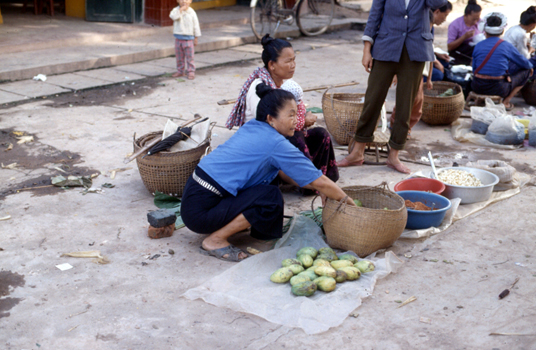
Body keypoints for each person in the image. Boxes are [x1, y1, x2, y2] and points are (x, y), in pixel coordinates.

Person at [182, 84, 356, 261]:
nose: (296, 120)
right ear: (271, 119)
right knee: (269, 196)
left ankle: (241, 226)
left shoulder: (253, 126)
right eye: (291, 115)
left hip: (194, 199)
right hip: (201, 212)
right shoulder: (275, 143)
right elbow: (320, 180)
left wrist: (320, 188)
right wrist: (348, 202)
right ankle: (215, 240)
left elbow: (291, 175)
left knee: (270, 181)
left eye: (297, 113)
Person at [338, 0, 447, 174]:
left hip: (415, 52)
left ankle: (394, 155)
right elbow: (374, 16)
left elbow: (437, 3)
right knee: (373, 100)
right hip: (385, 47)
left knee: (405, 105)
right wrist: (367, 49)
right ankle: (357, 152)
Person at [226, 34, 339, 184]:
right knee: (295, 136)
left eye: (294, 60)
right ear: (272, 64)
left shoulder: (283, 85)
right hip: (261, 143)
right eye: (288, 61)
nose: (293, 65)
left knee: (321, 134)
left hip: (278, 135)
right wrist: (302, 121)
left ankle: (324, 178)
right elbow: (271, 124)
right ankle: (307, 182)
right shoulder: (259, 87)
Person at [389, 4, 452, 137]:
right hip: (410, 70)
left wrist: (429, 79)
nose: (445, 19)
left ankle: (405, 127)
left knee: (417, 105)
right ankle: (396, 126)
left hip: (421, 73)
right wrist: (395, 73)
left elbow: (430, 59)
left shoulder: (429, 32)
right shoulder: (415, 31)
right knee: (408, 101)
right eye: (445, 15)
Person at [471, 12, 533, 111]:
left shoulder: (478, 45)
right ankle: (506, 101)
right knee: (527, 71)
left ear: (485, 31)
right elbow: (526, 64)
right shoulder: (506, 46)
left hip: (477, 86)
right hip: (499, 89)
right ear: (502, 30)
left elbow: (474, 69)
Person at [169, 0, 201, 80]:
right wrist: (180, 10)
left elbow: (196, 25)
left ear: (190, 1)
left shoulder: (192, 12)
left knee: (190, 57)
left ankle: (191, 71)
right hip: (178, 39)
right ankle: (180, 71)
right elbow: (173, 17)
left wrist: (196, 37)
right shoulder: (175, 10)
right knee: (179, 57)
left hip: (189, 39)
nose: (184, 1)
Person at [447, 0, 482, 66]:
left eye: (477, 19)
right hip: (459, 51)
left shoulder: (480, 22)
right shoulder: (455, 25)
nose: (475, 22)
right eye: (473, 19)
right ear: (466, 15)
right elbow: (449, 47)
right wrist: (464, 37)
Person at [504, 6, 536, 76]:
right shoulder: (521, 34)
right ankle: (529, 78)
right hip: (510, 65)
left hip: (506, 61)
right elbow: (525, 58)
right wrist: (531, 49)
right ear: (532, 25)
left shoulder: (513, 28)